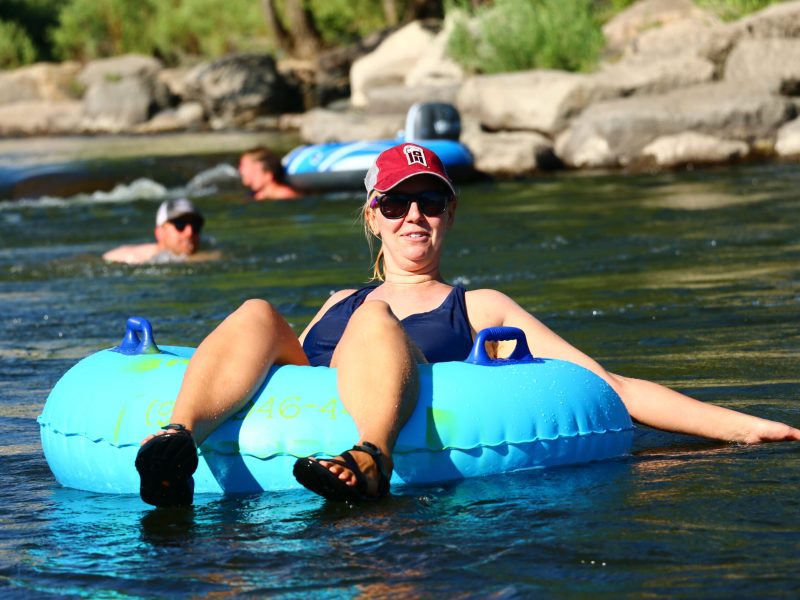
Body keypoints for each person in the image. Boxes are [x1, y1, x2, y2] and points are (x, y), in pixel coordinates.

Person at [135, 143, 800, 508]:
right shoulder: (339, 297)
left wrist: (744, 427)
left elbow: (605, 386)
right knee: (255, 310)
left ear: (450, 216)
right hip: (300, 447)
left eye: (430, 203)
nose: (413, 217)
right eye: (396, 204)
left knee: (375, 316)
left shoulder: (477, 306)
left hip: (378, 453)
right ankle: (177, 441)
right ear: (373, 216)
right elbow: (294, 379)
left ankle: (370, 456)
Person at [103, 198, 217, 265]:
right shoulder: (127, 258)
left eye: (196, 225)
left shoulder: (214, 254)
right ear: (159, 232)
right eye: (180, 225)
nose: (190, 232)